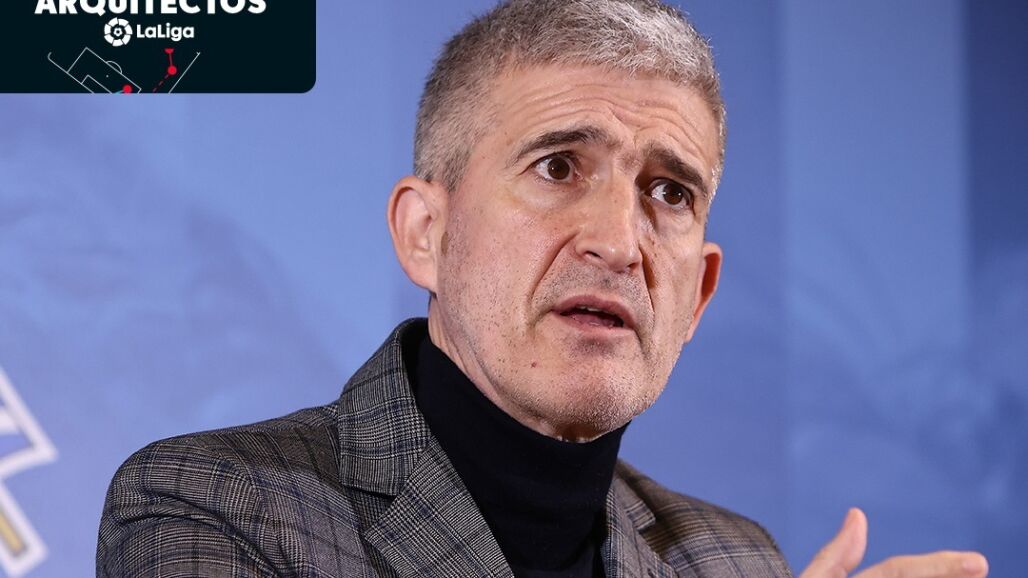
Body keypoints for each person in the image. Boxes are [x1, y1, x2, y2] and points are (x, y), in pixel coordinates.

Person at [97, 1, 990, 576]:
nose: (619, 242)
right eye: (559, 166)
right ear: (425, 233)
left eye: (668, 193)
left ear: (698, 297)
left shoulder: (735, 559)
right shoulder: (210, 505)